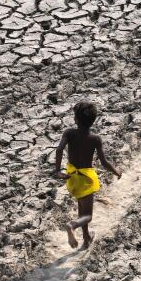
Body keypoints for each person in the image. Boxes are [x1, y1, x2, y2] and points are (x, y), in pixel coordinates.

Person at [54, 101, 122, 249]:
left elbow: (59, 150)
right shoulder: (95, 139)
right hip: (86, 179)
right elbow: (103, 162)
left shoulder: (69, 133)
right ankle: (72, 225)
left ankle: (86, 238)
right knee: (88, 215)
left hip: (71, 177)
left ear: (76, 119)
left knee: (81, 207)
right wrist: (116, 171)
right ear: (93, 120)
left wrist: (57, 171)